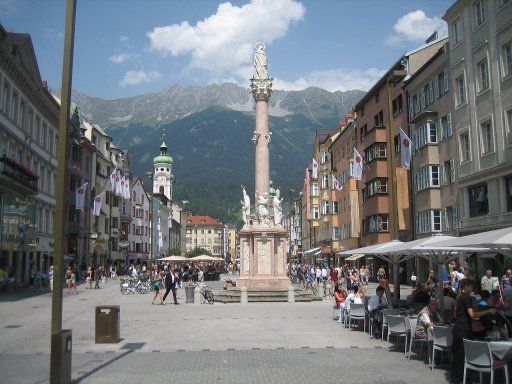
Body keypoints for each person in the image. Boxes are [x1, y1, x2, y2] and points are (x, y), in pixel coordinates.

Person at [450, 279, 496, 384]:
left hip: (458, 328)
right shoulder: (466, 298)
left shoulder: (459, 298)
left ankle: (458, 379)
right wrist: (488, 311)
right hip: (463, 330)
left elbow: (455, 315)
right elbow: (472, 314)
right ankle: (460, 380)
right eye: (471, 287)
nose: (472, 289)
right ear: (466, 287)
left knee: (458, 356)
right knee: (461, 356)